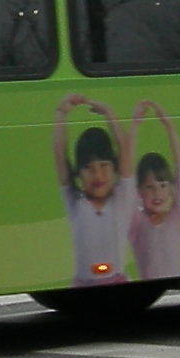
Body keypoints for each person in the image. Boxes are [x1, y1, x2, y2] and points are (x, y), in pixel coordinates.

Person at [54, 93, 135, 286]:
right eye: (88, 168)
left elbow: (124, 148)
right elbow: (59, 154)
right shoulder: (75, 201)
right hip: (82, 283)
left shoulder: (120, 198)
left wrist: (109, 113)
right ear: (78, 173)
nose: (98, 175)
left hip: (117, 281)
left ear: (114, 167)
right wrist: (61, 114)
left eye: (104, 165)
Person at [127, 100, 180, 280]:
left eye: (162, 185)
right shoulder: (137, 223)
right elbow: (126, 175)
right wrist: (134, 125)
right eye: (149, 187)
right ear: (139, 191)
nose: (157, 193)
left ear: (171, 188)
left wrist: (168, 126)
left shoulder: (177, 216)